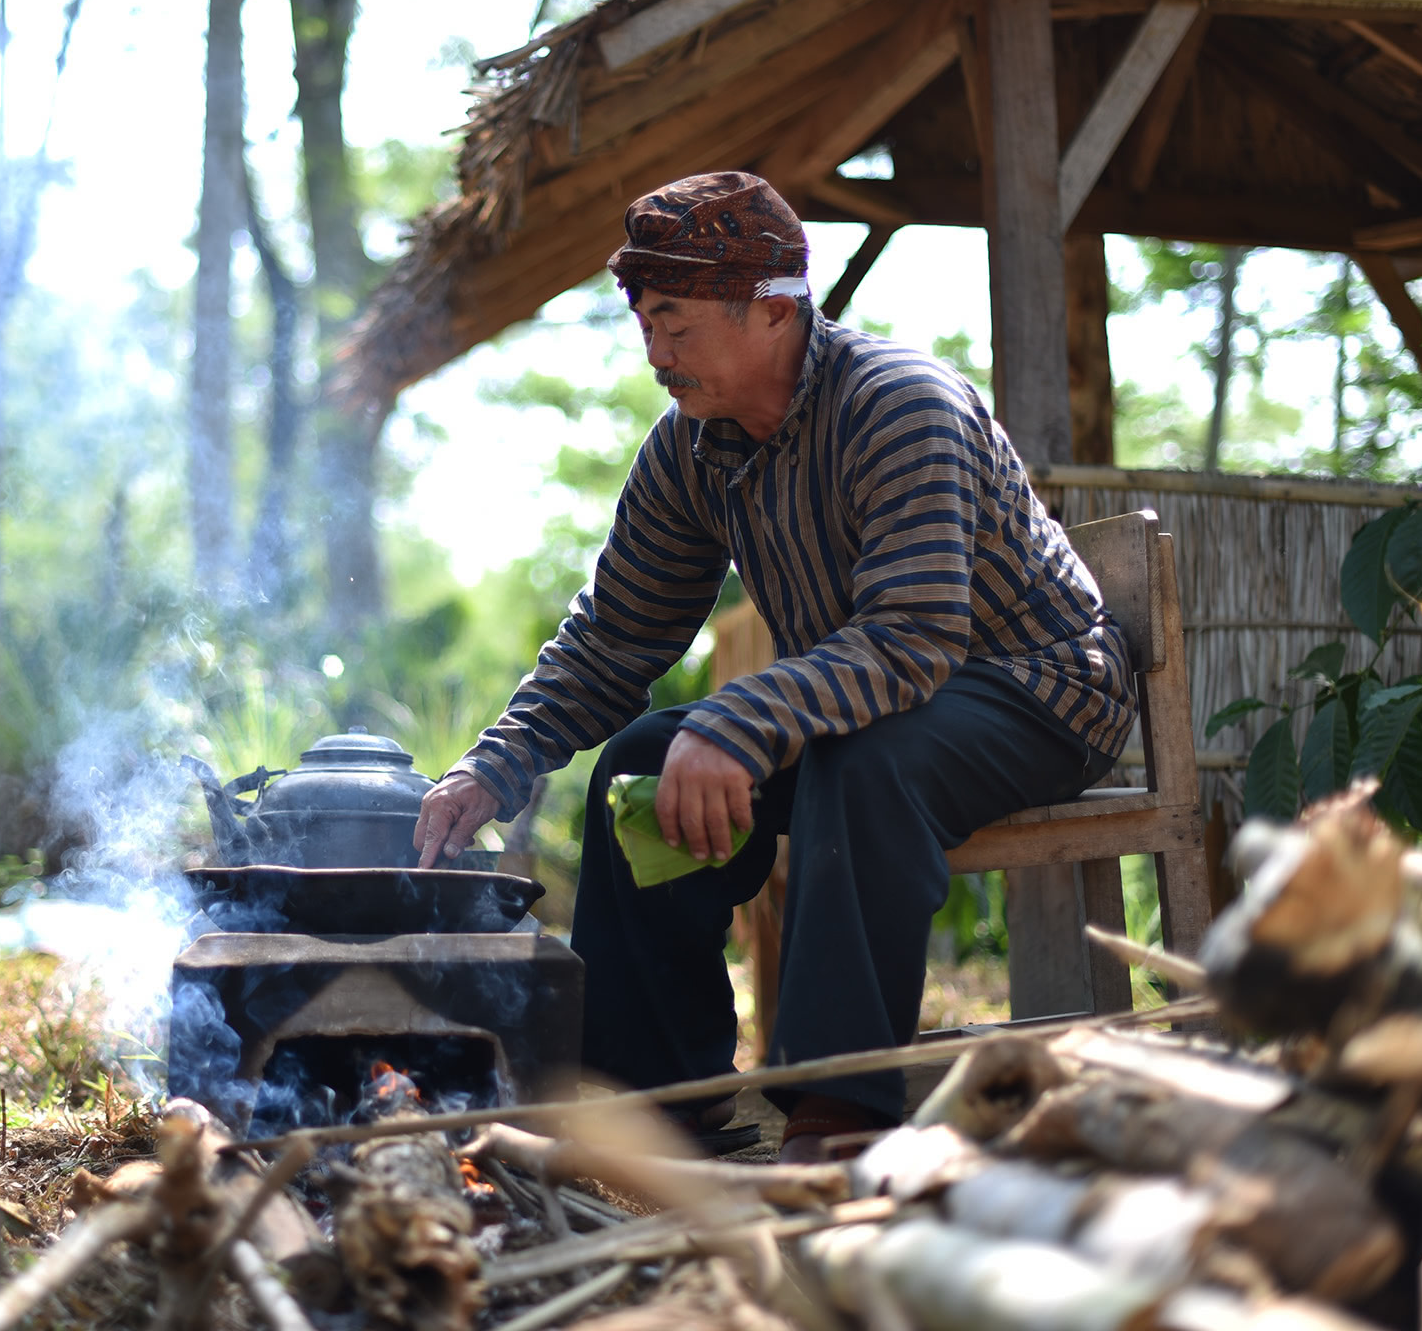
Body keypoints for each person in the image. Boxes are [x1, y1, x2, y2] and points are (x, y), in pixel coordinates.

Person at [411, 172, 1135, 1161]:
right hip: (875, 701)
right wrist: (495, 765)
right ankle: (653, 1098)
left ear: (772, 307)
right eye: (646, 325)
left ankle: (835, 1112)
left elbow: (913, 637)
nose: (656, 353)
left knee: (862, 763)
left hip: (1039, 689)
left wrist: (740, 721)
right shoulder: (688, 450)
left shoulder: (899, 404)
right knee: (639, 760)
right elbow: (617, 636)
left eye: (677, 323)